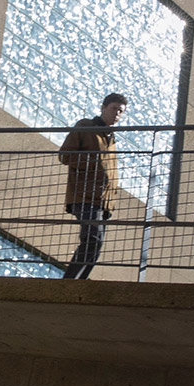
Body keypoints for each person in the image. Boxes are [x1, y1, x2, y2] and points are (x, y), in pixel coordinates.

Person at [58, 92, 126, 278]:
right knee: (92, 239)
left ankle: (79, 281)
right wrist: (93, 163)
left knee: (96, 245)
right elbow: (65, 155)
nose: (117, 114)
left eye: (120, 112)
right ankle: (69, 282)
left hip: (103, 202)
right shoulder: (86, 127)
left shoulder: (111, 139)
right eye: (114, 109)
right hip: (85, 196)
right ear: (103, 108)